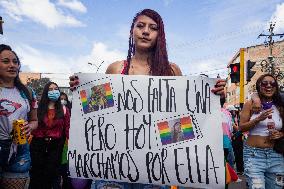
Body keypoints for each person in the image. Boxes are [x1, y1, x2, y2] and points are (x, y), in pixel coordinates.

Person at [70, 9, 226, 189]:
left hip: (156, 166)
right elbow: (97, 113)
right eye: (140, 26)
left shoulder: (171, 71)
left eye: (153, 28)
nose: (146, 31)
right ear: (132, 31)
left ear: (160, 35)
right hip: (113, 163)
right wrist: (81, 91)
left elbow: (183, 122)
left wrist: (212, 98)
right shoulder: (116, 69)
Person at [0, 44, 38, 189]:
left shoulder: (28, 92)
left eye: (15, 62)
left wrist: (30, 127)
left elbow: (34, 120)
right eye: (5, 61)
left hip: (19, 150)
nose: (12, 65)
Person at [239, 74, 284, 189]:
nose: (269, 86)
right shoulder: (250, 104)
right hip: (254, 155)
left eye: (272, 83)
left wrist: (281, 134)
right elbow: (241, 128)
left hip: (276, 156)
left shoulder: (280, 105)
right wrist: (258, 119)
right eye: (264, 83)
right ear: (259, 86)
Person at [29, 82, 70, 189]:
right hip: (38, 144)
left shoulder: (64, 109)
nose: (53, 91)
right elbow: (32, 124)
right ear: (46, 92)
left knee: (51, 174)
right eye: (50, 89)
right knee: (37, 175)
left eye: (56, 89)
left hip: (56, 146)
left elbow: (67, 129)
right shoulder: (38, 108)